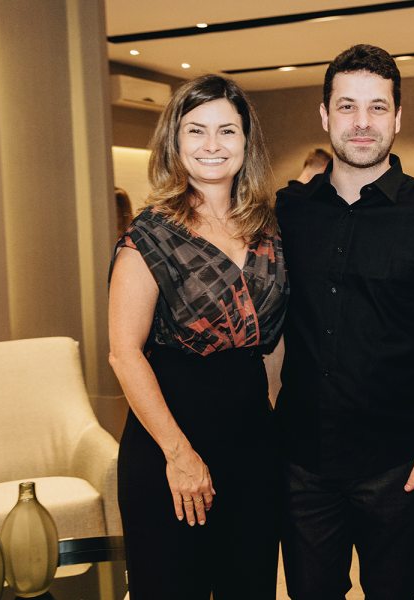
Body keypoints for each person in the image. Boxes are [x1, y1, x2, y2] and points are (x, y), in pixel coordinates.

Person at [275, 44, 414, 600]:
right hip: (303, 462)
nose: (362, 122)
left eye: (377, 107)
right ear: (325, 115)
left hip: (400, 466)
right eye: (347, 106)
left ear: (398, 117)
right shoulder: (287, 213)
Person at [107, 74, 286, 599]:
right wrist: (180, 455)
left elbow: (275, 339)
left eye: (227, 130)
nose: (213, 144)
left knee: (250, 586)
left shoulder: (268, 228)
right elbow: (124, 355)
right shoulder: (149, 235)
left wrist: (274, 421)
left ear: (246, 142)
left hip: (252, 446)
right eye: (196, 130)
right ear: (175, 141)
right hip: (169, 447)